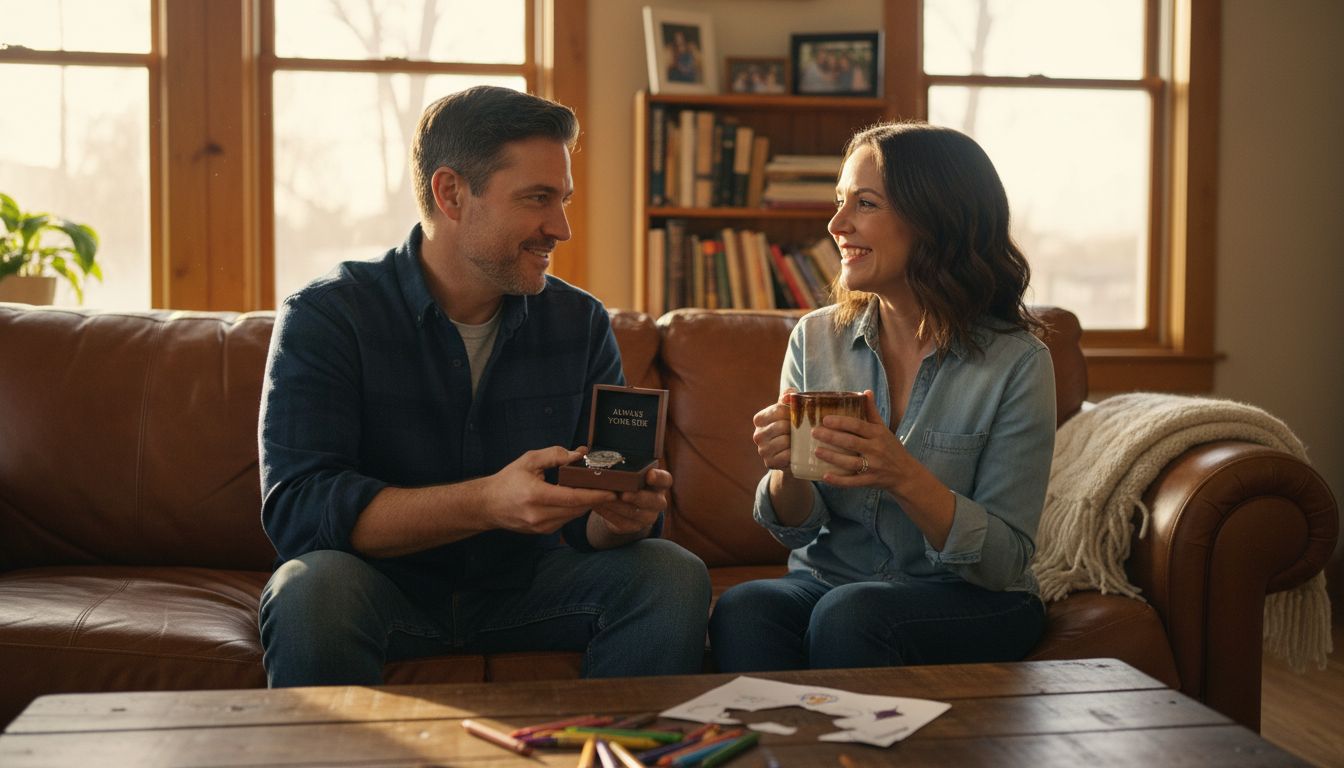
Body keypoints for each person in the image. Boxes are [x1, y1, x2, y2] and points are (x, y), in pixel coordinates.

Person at [257, 85, 711, 686]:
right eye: (537, 199)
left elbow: (591, 513)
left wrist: (618, 519)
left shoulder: (579, 323)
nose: (562, 228)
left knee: (670, 572)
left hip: (531, 588)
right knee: (310, 589)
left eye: (564, 200)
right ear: (451, 193)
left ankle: (611, 754)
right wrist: (486, 502)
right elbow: (300, 510)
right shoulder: (329, 316)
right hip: (381, 588)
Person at [708, 121, 1056, 671]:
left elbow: (1002, 561)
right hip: (833, 583)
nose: (836, 224)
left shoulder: (1016, 363)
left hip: (972, 598)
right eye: (839, 202)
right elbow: (796, 525)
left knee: (853, 614)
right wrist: (787, 469)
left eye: (864, 203)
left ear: (936, 218)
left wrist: (901, 472)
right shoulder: (817, 337)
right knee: (747, 607)